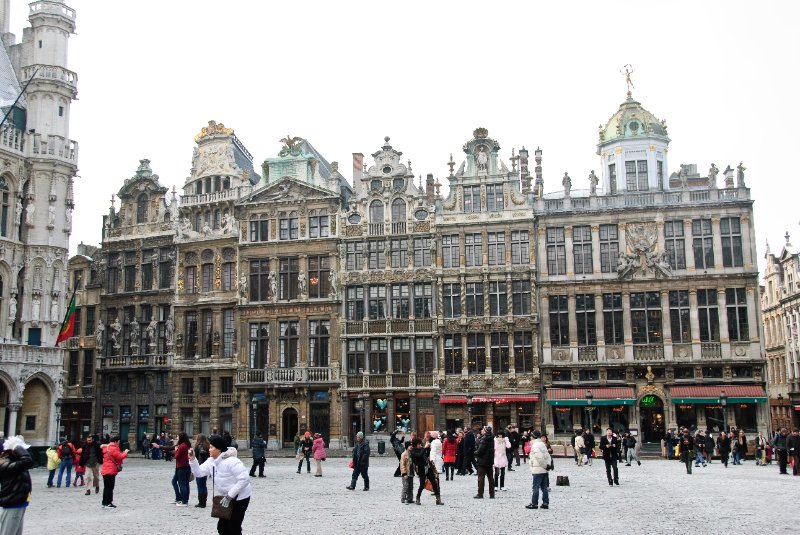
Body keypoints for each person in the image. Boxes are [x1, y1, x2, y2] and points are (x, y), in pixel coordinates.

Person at [188, 434, 252, 535]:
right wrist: (192, 460)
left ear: (219, 449)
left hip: (241, 497)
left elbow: (244, 479)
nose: (209, 449)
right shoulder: (211, 461)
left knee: (234, 526)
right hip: (226, 498)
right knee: (222, 527)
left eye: (212, 447)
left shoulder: (232, 461)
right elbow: (199, 473)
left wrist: (230, 495)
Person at [0, 435, 33, 534]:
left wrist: (19, 448)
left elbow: (29, 459)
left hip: (18, 502)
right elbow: (28, 461)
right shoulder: (4, 465)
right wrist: (17, 447)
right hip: (12, 503)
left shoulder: (11, 462)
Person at [410, 437, 442, 505]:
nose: (420, 445)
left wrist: (428, 448)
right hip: (421, 470)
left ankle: (438, 499)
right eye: (419, 444)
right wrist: (425, 448)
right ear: (416, 444)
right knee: (422, 485)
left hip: (428, 468)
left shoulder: (421, 449)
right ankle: (418, 498)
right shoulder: (413, 452)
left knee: (434, 482)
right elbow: (419, 455)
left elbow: (426, 455)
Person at [100, 435, 129, 508]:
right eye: (118, 441)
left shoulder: (106, 447)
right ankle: (109, 503)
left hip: (105, 469)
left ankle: (104, 503)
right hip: (111, 470)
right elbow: (120, 457)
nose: (119, 443)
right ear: (116, 441)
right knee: (110, 487)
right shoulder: (113, 448)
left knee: (106, 487)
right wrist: (125, 452)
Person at [525, 430, 551, 510]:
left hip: (538, 468)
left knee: (535, 487)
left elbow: (539, 457)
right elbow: (547, 456)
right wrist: (548, 465)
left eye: (531, 436)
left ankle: (534, 503)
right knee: (544, 487)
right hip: (544, 469)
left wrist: (544, 465)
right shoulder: (542, 444)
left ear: (533, 437)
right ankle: (545, 503)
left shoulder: (535, 445)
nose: (530, 437)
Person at [474, 425, 495, 499]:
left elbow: (480, 451)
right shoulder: (492, 438)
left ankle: (480, 494)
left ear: (485, 431)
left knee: (481, 478)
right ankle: (492, 494)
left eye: (483, 429)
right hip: (490, 460)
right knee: (490, 478)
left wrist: (475, 453)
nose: (482, 430)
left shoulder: (484, 439)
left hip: (482, 461)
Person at [172, 432, 192, 506]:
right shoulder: (186, 445)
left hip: (181, 467)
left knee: (182, 484)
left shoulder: (182, 446)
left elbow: (177, 456)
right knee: (185, 484)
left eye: (178, 436)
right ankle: (182, 499)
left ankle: (184, 500)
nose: (177, 437)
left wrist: (176, 450)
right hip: (185, 466)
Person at [194, 434, 210, 508]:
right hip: (206, 467)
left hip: (200, 466)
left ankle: (201, 502)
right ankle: (204, 501)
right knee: (204, 485)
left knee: (200, 485)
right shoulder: (208, 446)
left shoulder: (198, 446)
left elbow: (196, 457)